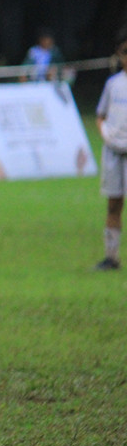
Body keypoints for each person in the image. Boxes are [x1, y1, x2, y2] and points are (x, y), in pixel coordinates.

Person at [94, 30, 127, 271]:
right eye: (125, 52)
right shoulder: (113, 84)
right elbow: (100, 115)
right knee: (113, 203)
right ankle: (111, 256)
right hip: (114, 151)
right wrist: (105, 134)